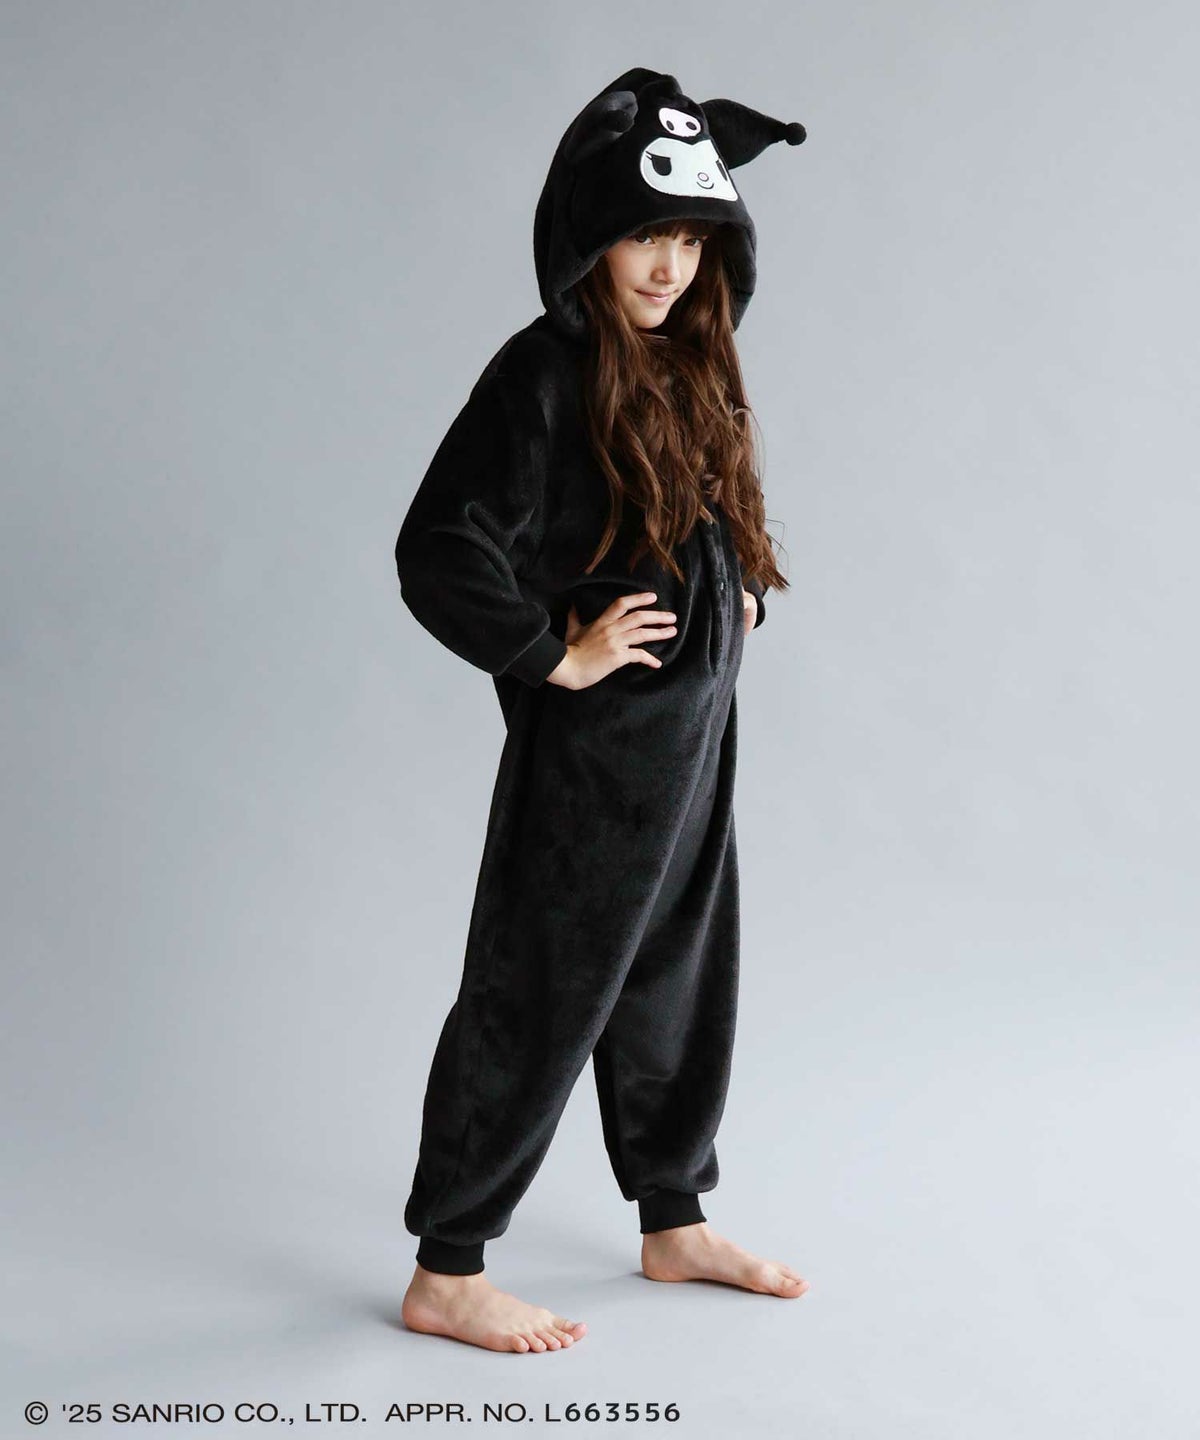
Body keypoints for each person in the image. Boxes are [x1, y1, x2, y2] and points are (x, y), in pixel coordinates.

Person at [394, 67, 810, 1355]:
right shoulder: (542, 371)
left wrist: (740, 594)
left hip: (693, 737)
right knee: (540, 982)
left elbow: (702, 507)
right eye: (644, 236)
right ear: (591, 238)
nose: (668, 266)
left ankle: (673, 1219)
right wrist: (548, 655)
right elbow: (441, 543)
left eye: (689, 237)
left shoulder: (688, 362)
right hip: (596, 748)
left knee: (679, 972)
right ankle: (448, 1267)